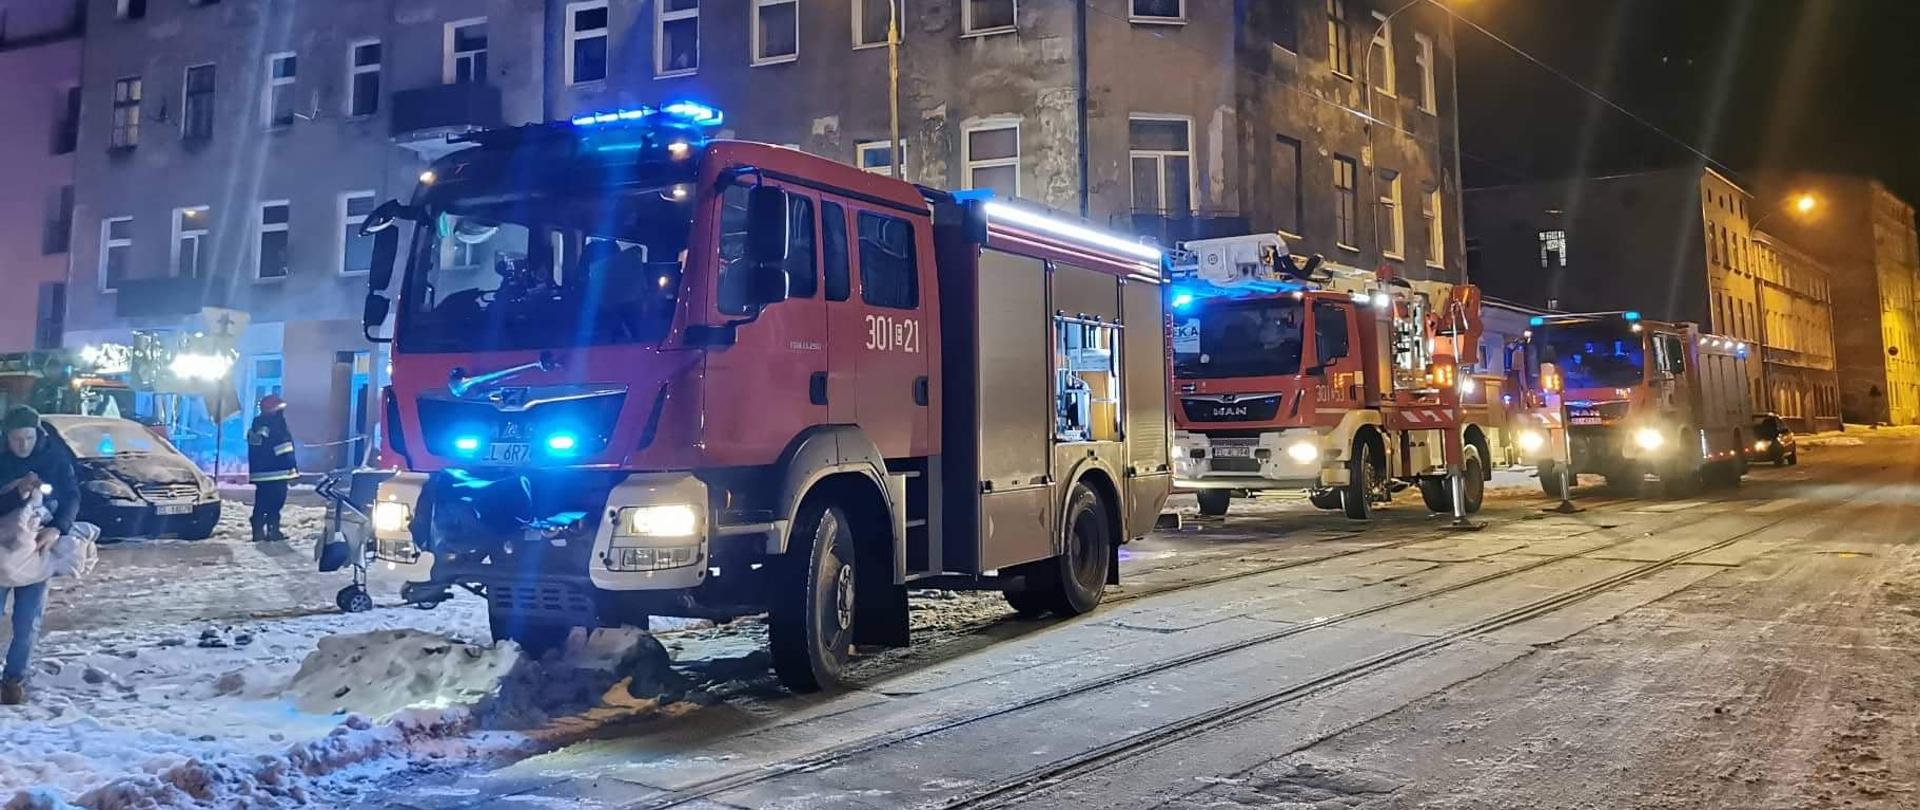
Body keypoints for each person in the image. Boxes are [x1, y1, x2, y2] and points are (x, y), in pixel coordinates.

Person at [0, 405, 79, 705]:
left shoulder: (54, 457)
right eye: (16, 439)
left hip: (37, 549)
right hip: (3, 550)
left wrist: (57, 528)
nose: (22, 445)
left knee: (28, 619)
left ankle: (13, 680)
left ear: (38, 435)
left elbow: (71, 495)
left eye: (28, 438)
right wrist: (15, 493)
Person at [246, 395, 298, 543]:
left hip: (261, 474)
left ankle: (259, 530)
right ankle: (272, 530)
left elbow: (259, 447)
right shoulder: (276, 425)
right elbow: (284, 448)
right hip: (277, 472)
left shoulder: (257, 425)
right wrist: (292, 467)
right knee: (275, 503)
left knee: (262, 502)